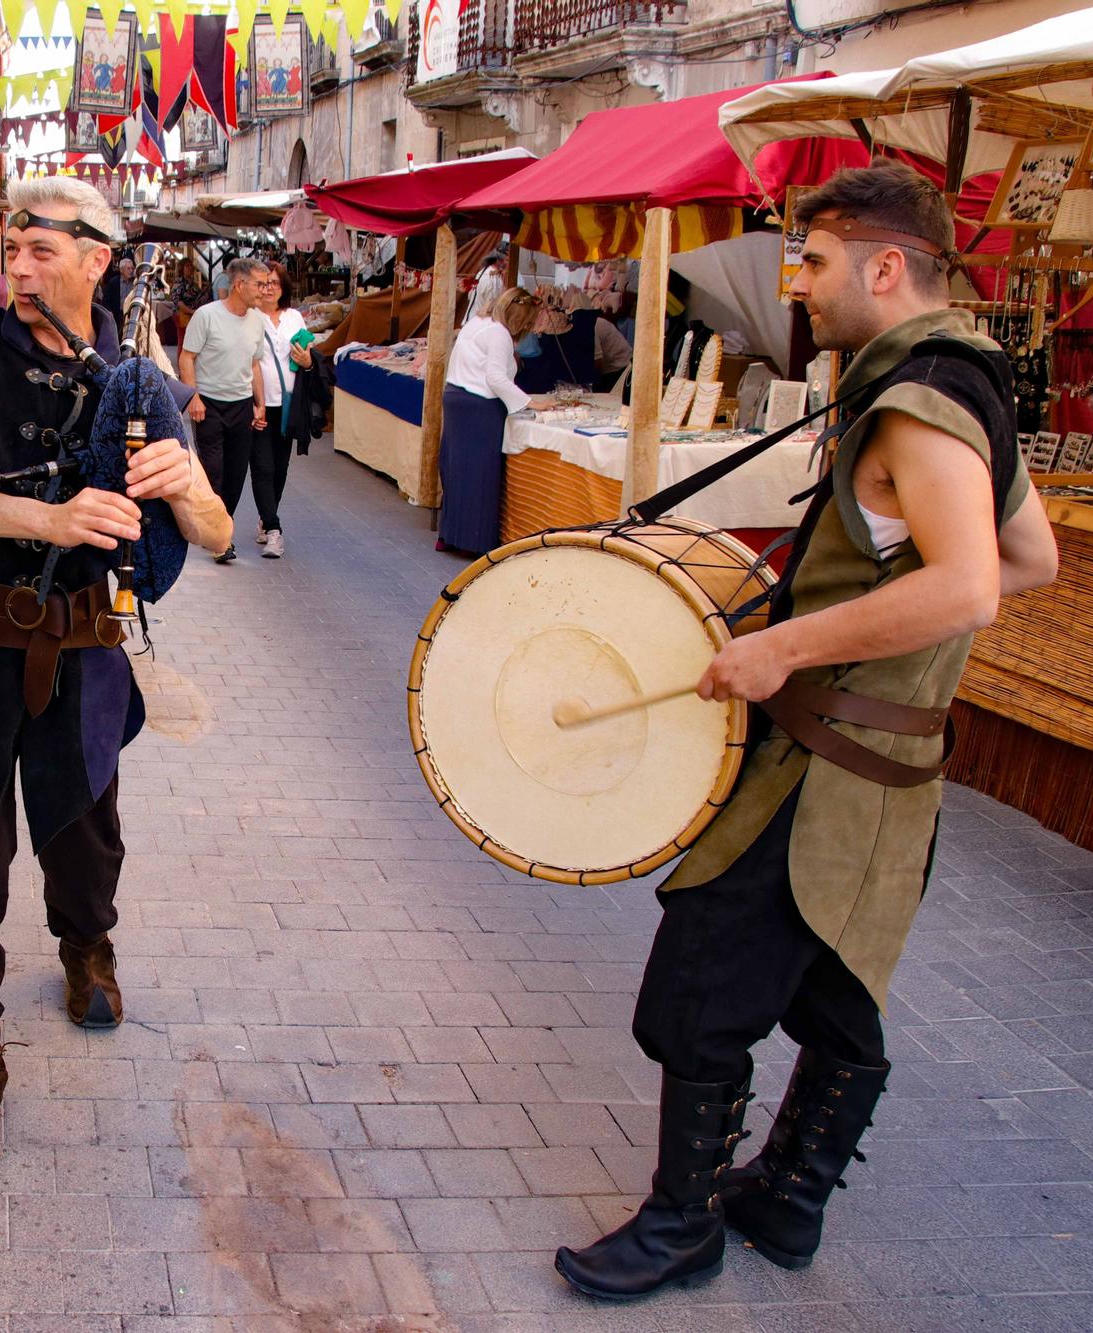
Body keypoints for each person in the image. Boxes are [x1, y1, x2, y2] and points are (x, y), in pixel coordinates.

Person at [553, 161, 1061, 1301]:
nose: (801, 283)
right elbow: (1033, 557)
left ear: (886, 266)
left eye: (817, 262)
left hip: (823, 765)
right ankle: (784, 1200)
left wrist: (788, 646)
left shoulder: (918, 400)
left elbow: (974, 584)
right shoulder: (971, 387)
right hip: (892, 764)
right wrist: (884, 616)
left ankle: (680, 1223)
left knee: (695, 985)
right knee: (835, 980)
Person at [0, 177, 232, 1171]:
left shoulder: (140, 381)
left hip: (84, 655)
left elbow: (212, 537)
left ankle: (87, 944)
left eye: (42, 247)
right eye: (10, 246)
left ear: (97, 258)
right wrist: (47, 518)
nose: (19, 264)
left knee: (85, 837)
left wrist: (189, 486)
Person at [438, 287, 542, 556]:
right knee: (480, 473)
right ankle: (475, 542)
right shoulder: (499, 333)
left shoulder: (477, 323)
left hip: (456, 397)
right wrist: (530, 403)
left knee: (456, 469)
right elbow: (496, 378)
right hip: (479, 406)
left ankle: (450, 533)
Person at [180, 256, 271, 561]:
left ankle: (222, 527)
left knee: (235, 474)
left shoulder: (257, 321)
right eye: (260, 284)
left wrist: (260, 403)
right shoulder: (206, 316)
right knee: (214, 473)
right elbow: (187, 357)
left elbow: (254, 364)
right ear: (239, 284)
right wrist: (192, 398)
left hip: (242, 405)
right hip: (209, 405)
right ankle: (220, 541)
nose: (265, 290)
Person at [250, 265, 313, 559]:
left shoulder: (293, 317)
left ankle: (266, 516)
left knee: (280, 467)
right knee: (262, 466)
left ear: (283, 287)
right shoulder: (250, 318)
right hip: (259, 403)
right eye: (264, 283)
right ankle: (274, 529)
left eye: (275, 283)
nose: (269, 288)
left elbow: (306, 355)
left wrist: (307, 360)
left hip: (288, 404)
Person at [470, 250, 506, 317]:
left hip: (474, 317)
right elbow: (492, 304)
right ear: (498, 261)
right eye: (505, 260)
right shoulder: (493, 278)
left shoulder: (482, 272)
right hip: (481, 320)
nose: (506, 263)